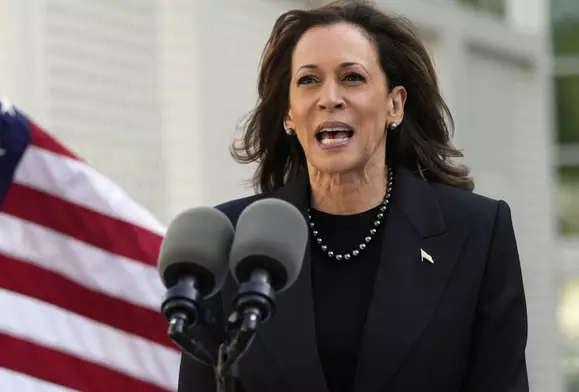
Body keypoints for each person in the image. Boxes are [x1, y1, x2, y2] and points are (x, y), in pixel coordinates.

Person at [178, 1, 529, 391]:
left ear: (394, 105)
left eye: (352, 78)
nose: (330, 97)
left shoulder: (477, 233)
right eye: (308, 81)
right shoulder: (230, 242)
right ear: (289, 115)